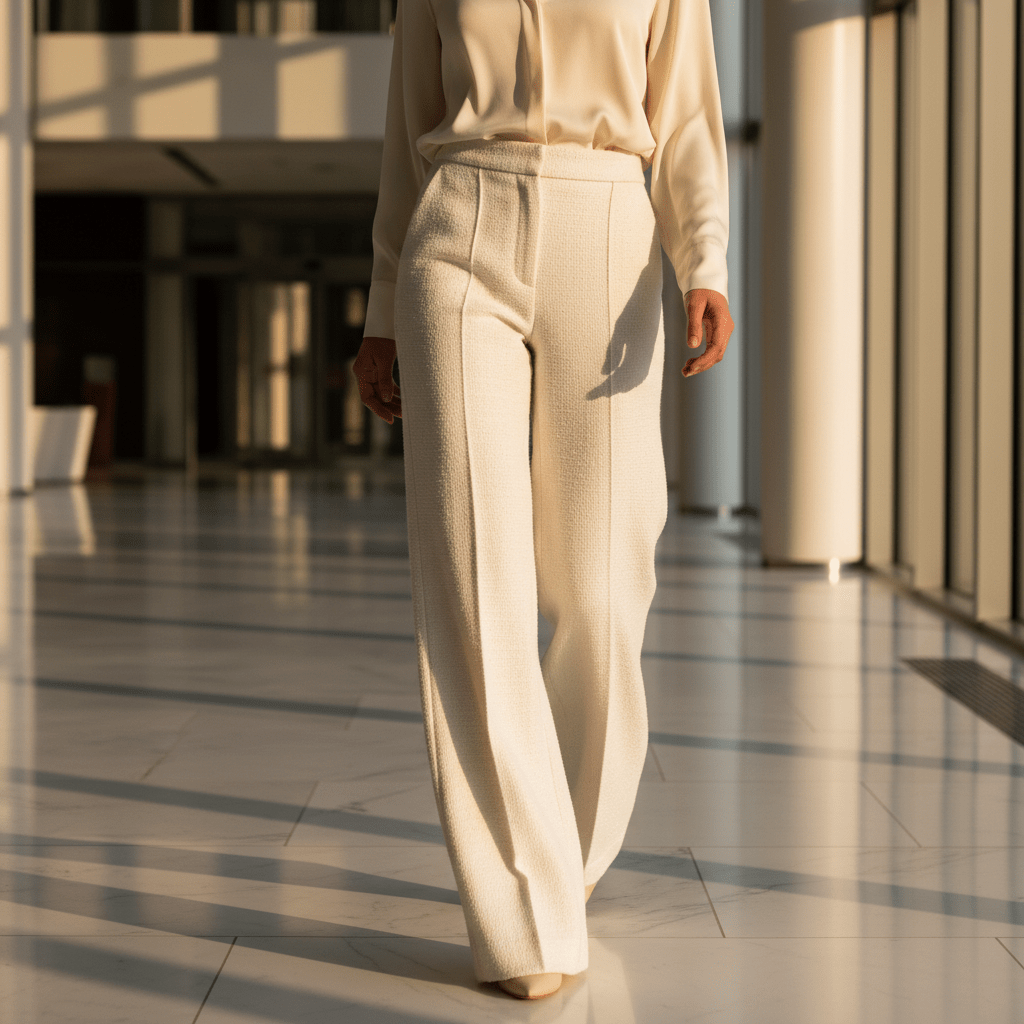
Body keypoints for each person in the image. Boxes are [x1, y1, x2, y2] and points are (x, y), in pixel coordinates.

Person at [353, 0, 733, 1001]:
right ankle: (522, 903)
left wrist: (705, 258)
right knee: (474, 580)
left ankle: (568, 842)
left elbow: (687, 112)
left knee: (603, 588)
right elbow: (406, 130)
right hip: (456, 226)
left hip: (607, 230)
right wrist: (382, 299)